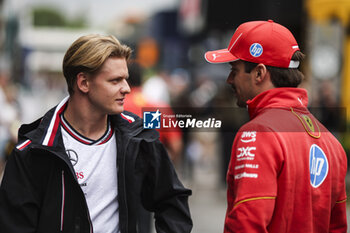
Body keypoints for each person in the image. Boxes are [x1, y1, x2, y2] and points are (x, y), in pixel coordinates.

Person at [0, 34, 193, 233]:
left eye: (125, 79)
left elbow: (172, 201)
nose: (126, 89)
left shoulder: (139, 137)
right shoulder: (32, 151)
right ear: (83, 83)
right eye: (115, 80)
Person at [204, 20, 347, 232]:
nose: (229, 80)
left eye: (234, 70)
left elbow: (246, 224)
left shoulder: (258, 133)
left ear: (259, 73)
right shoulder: (332, 143)